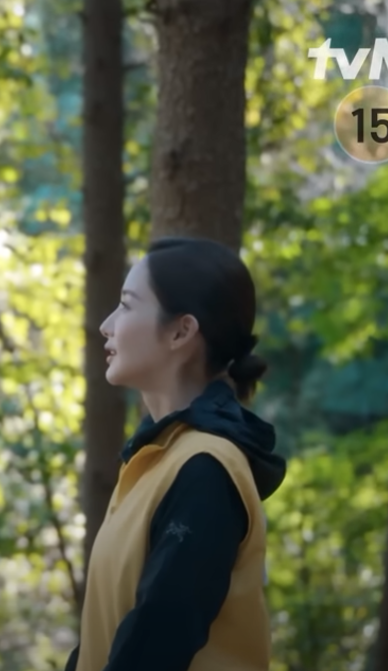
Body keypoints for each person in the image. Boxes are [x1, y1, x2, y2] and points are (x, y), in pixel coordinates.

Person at [65, 236, 287, 671]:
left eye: (126, 305)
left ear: (181, 332)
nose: (107, 325)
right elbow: (104, 636)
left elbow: (155, 645)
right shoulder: (154, 460)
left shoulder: (206, 470)